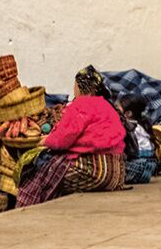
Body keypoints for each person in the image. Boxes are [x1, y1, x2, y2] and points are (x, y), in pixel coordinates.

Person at [18, 68, 128, 204]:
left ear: (80, 87)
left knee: (45, 172)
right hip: (116, 176)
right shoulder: (107, 105)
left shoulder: (81, 105)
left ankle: (28, 205)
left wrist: (45, 141)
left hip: (96, 173)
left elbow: (63, 140)